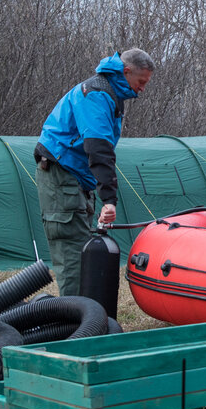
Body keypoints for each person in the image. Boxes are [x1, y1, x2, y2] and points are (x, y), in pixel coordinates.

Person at [34, 48, 155, 295]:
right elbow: (98, 148)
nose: (143, 89)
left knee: (82, 251)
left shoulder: (110, 94)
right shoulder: (97, 94)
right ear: (126, 71)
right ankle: (76, 324)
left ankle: (86, 317)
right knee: (73, 256)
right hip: (62, 176)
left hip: (77, 179)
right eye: (141, 82)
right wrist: (109, 200)